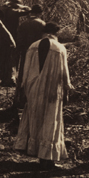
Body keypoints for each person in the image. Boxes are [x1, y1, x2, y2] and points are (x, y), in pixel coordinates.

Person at [14, 22, 72, 169]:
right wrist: (67, 88)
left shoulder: (33, 46)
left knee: (35, 118)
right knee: (51, 120)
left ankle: (34, 150)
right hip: (52, 89)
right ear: (56, 34)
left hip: (33, 87)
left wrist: (23, 88)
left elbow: (25, 70)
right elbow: (64, 73)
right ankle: (48, 158)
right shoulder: (60, 48)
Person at [13, 4, 45, 108]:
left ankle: (20, 100)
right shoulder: (42, 24)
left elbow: (19, 40)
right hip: (38, 53)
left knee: (23, 75)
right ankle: (33, 100)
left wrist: (17, 54)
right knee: (36, 75)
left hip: (25, 52)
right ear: (40, 13)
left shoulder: (23, 24)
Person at [0, 0, 31, 86]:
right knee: (11, 57)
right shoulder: (13, 11)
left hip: (1, 37)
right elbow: (28, 10)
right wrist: (20, 6)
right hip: (12, 37)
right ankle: (10, 78)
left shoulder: (1, 9)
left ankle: (2, 76)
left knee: (2, 56)